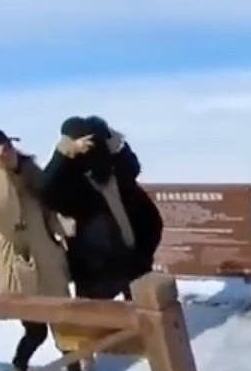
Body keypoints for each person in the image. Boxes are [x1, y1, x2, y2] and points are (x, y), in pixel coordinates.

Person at [0, 128, 103, 371]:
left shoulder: (30, 173)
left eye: (10, 146)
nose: (9, 154)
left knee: (66, 321)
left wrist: (64, 227)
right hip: (19, 267)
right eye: (1, 151)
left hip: (47, 257)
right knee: (36, 329)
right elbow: (0, 207)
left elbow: (49, 201)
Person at [37, 116, 164, 301]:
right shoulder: (72, 184)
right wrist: (63, 153)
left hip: (135, 261)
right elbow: (48, 191)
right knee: (98, 321)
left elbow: (133, 170)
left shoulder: (119, 175)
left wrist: (117, 145)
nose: (94, 150)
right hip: (96, 271)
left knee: (143, 314)